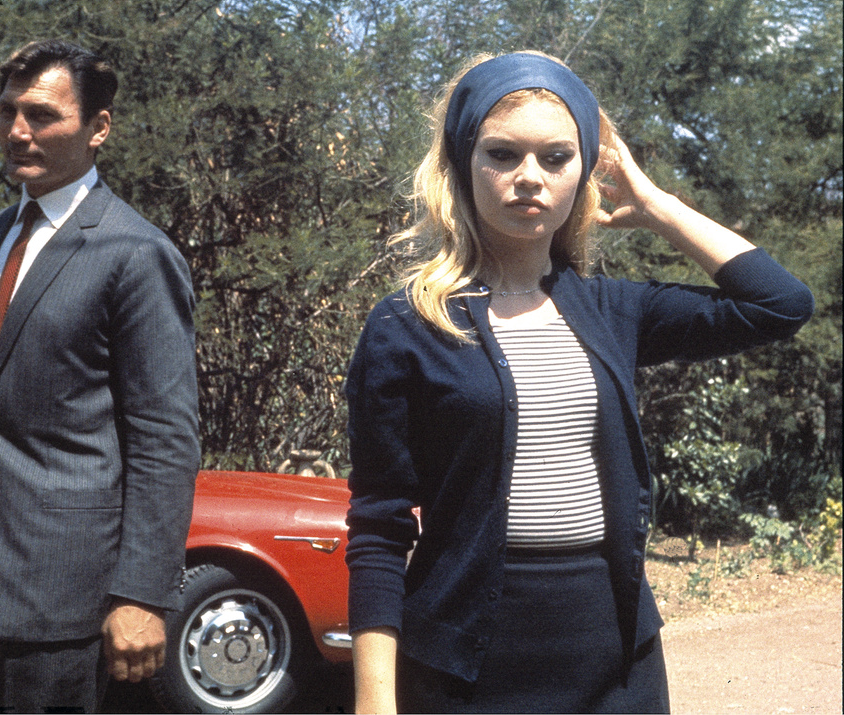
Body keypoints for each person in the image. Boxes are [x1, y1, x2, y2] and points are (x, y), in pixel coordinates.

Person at [345, 51, 814, 714]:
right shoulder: (408, 325)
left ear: (583, 173)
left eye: (557, 158)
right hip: (464, 663)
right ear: (462, 163)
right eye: (502, 154)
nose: (528, 178)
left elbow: (780, 305)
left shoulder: (615, 310)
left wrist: (656, 205)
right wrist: (374, 700)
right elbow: (378, 525)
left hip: (614, 659)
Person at [0, 39, 200, 713]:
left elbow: (165, 437)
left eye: (42, 115)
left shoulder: (136, 253)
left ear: (98, 128)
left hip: (68, 605)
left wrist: (141, 594)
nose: (19, 131)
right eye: (8, 111)